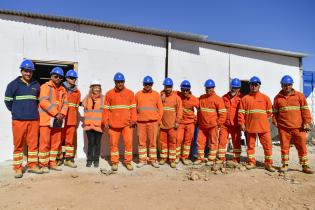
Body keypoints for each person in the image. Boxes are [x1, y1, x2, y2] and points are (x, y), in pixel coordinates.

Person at [4, 59, 43, 178]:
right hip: (18, 120)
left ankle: (32, 165)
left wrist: (31, 111)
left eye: (30, 71)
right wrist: (17, 111)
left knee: (33, 144)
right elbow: (8, 102)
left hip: (33, 119)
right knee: (18, 144)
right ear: (21, 71)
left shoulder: (36, 85)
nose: (28, 73)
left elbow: (37, 102)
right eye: (26, 71)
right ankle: (17, 168)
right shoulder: (13, 85)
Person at [273, 75, 313, 174]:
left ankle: (304, 165)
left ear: (292, 85)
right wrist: (275, 121)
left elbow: (305, 110)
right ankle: (285, 164)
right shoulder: (277, 98)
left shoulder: (299, 96)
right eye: (285, 85)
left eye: (289, 85)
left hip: (298, 127)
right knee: (284, 147)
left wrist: (307, 122)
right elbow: (275, 112)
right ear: (281, 85)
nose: (287, 87)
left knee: (302, 146)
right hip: (283, 128)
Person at [238, 76, 275, 172]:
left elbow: (270, 112)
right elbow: (241, 113)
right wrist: (242, 123)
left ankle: (268, 164)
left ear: (259, 85)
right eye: (252, 85)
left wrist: (261, 118)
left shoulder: (265, 98)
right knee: (250, 146)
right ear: (249, 86)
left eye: (256, 84)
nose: (253, 86)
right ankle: (251, 162)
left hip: (263, 127)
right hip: (250, 127)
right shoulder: (245, 99)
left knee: (267, 145)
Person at [104, 72, 136, 171]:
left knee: (128, 144)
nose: (120, 84)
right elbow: (106, 109)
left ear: (124, 82)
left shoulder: (130, 93)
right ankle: (115, 162)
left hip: (127, 124)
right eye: (118, 82)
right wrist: (105, 121)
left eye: (121, 82)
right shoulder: (109, 94)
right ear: (115, 82)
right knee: (113, 144)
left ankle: (128, 162)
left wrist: (134, 120)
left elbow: (133, 109)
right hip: (113, 124)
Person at [38, 67, 68, 172]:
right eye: (55, 76)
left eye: (60, 77)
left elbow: (66, 104)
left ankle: (52, 163)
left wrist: (62, 114)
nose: (58, 78)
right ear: (51, 76)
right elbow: (43, 102)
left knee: (56, 143)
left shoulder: (63, 90)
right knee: (45, 143)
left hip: (58, 120)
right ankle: (43, 164)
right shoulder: (45, 87)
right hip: (46, 120)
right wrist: (56, 114)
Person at [194, 79, 226, 170]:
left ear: (213, 88)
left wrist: (217, 123)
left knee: (213, 143)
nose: (208, 89)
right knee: (200, 142)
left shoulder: (218, 99)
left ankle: (211, 159)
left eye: (210, 88)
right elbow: (194, 103)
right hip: (202, 126)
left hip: (212, 126)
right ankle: (200, 158)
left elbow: (223, 114)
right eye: (207, 88)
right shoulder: (202, 98)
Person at [135, 76, 163, 168]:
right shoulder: (138, 94)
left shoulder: (156, 95)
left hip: (153, 122)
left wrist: (158, 121)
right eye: (146, 84)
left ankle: (153, 160)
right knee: (141, 142)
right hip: (141, 123)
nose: (147, 85)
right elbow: (134, 109)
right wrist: (135, 120)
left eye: (149, 84)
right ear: (143, 84)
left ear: (152, 84)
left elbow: (160, 109)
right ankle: (142, 160)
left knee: (152, 142)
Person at [218, 78, 243, 167]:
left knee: (236, 142)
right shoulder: (224, 97)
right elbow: (219, 110)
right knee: (222, 141)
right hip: (225, 124)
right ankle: (221, 158)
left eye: (236, 88)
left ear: (239, 89)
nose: (234, 89)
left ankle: (236, 159)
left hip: (236, 125)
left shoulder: (242, 98)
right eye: (233, 87)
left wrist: (242, 123)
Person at [59, 70, 81, 168]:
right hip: (61, 119)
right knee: (58, 140)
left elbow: (76, 106)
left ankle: (68, 159)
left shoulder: (77, 92)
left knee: (69, 141)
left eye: (74, 79)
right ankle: (58, 158)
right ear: (67, 78)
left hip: (71, 120)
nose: (73, 80)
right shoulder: (60, 89)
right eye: (71, 78)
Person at [159, 78, 183, 168]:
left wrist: (177, 122)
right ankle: (163, 158)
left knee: (172, 142)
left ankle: (172, 160)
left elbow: (179, 111)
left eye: (169, 87)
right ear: (164, 87)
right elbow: (158, 108)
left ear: (172, 87)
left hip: (172, 126)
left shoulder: (177, 98)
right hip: (162, 125)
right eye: (166, 87)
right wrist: (161, 98)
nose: (168, 88)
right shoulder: (161, 96)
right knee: (163, 143)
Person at [176, 80, 199, 165]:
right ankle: (177, 157)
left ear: (189, 90)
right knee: (178, 139)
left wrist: (197, 119)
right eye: (183, 90)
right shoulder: (177, 95)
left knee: (187, 141)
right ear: (181, 89)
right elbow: (167, 90)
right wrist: (162, 94)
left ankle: (184, 157)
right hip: (181, 123)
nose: (185, 92)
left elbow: (200, 109)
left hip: (190, 123)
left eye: (186, 90)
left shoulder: (194, 99)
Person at [82, 80, 104, 168]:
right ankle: (89, 160)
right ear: (91, 88)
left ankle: (96, 161)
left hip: (99, 126)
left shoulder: (104, 98)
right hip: (89, 126)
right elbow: (82, 105)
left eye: (98, 87)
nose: (97, 89)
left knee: (97, 143)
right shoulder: (86, 98)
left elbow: (106, 111)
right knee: (91, 143)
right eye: (95, 87)